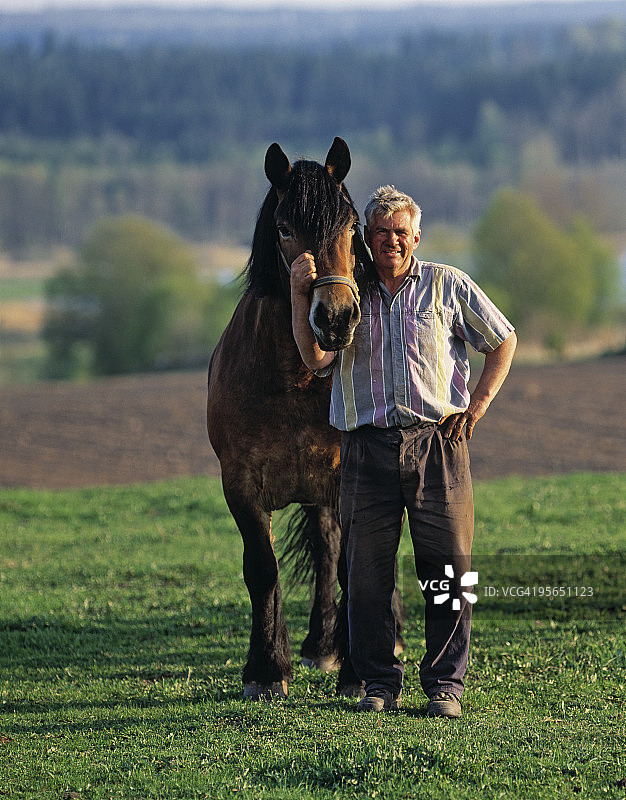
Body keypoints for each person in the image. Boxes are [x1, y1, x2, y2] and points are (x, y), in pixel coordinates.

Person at [290, 185, 516, 718]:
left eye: (400, 232)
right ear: (366, 239)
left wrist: (478, 405)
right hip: (364, 449)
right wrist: (301, 297)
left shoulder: (447, 284)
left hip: (438, 444)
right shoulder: (348, 292)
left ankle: (445, 687)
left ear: (416, 237)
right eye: (380, 232)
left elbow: (502, 339)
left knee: (448, 573)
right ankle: (378, 684)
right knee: (366, 575)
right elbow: (316, 360)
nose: (390, 240)